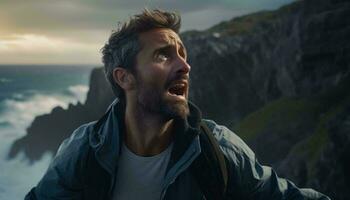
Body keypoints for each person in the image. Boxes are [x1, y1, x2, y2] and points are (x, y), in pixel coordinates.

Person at [25, 9, 331, 200]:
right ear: (125, 78)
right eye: (163, 55)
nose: (185, 66)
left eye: (183, 54)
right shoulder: (82, 150)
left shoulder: (218, 148)